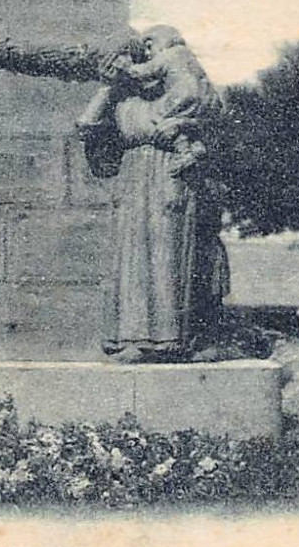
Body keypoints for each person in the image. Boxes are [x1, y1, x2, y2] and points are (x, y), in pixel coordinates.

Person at [77, 26, 226, 362]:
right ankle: (132, 338)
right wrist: (108, 87)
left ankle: (171, 340)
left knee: (168, 253)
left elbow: (213, 124)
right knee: (132, 257)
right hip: (133, 178)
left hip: (169, 175)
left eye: (133, 58)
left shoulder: (176, 97)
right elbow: (86, 126)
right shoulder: (123, 100)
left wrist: (193, 144)